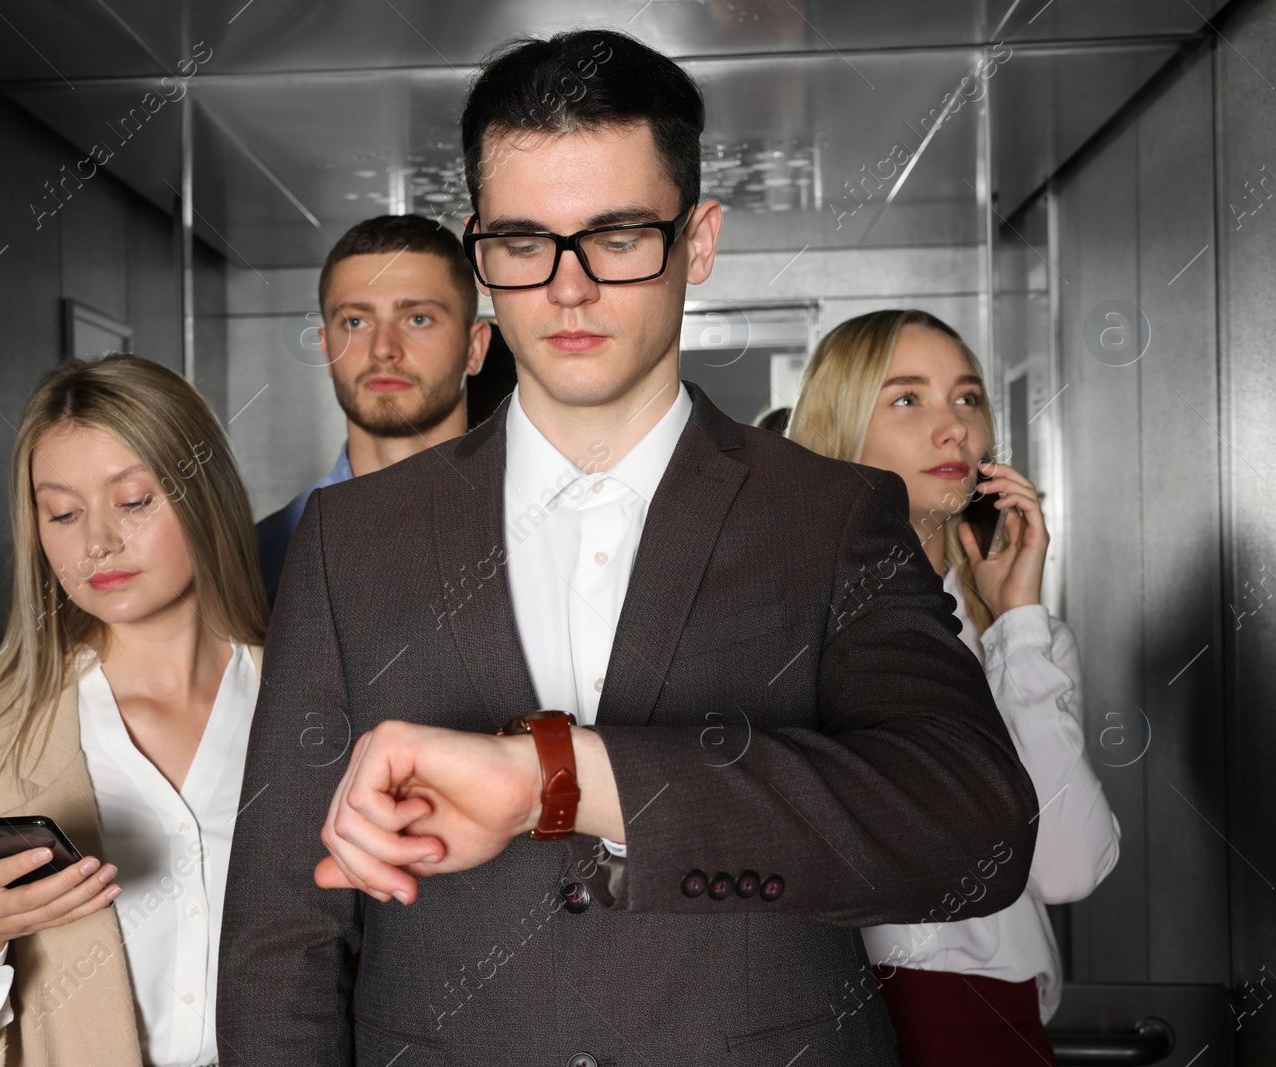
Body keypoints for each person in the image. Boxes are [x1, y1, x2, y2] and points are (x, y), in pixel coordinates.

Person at [218, 30, 1038, 1065]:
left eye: (614, 238)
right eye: (523, 243)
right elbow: (280, 936)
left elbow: (975, 830)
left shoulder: (828, 516)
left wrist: (559, 779)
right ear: (481, 250)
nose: (567, 288)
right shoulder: (352, 539)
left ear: (697, 241)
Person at [0, 355, 269, 1066]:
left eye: (133, 501)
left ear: (205, 495)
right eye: (63, 512)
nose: (96, 543)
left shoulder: (320, 703)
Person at [788, 309, 1121, 1065]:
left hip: (992, 1025)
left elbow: (1068, 867)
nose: (954, 429)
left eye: (967, 398)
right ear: (841, 431)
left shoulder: (1017, 637)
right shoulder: (782, 631)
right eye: (908, 399)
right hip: (835, 1016)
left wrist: (1020, 621)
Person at [257, 214, 491, 601]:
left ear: (475, 348)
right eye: (355, 322)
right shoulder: (264, 558)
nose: (383, 348)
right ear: (327, 348)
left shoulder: (536, 530)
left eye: (418, 318)